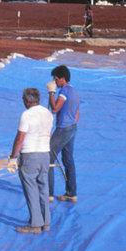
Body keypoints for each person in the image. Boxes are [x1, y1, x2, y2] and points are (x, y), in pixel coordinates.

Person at [7, 87, 53, 234]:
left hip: (30, 156)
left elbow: (20, 138)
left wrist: (13, 157)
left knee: (31, 189)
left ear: (27, 100)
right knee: (43, 188)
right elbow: (49, 135)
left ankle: (35, 224)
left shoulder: (26, 115)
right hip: (45, 155)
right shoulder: (48, 113)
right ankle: (45, 222)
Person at [47, 64, 80, 203]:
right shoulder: (74, 91)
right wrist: (71, 123)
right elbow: (78, 112)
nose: (55, 82)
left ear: (62, 79)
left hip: (63, 129)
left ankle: (48, 193)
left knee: (48, 158)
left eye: (56, 79)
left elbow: (54, 109)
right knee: (68, 160)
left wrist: (51, 93)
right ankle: (71, 193)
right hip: (72, 127)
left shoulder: (64, 92)